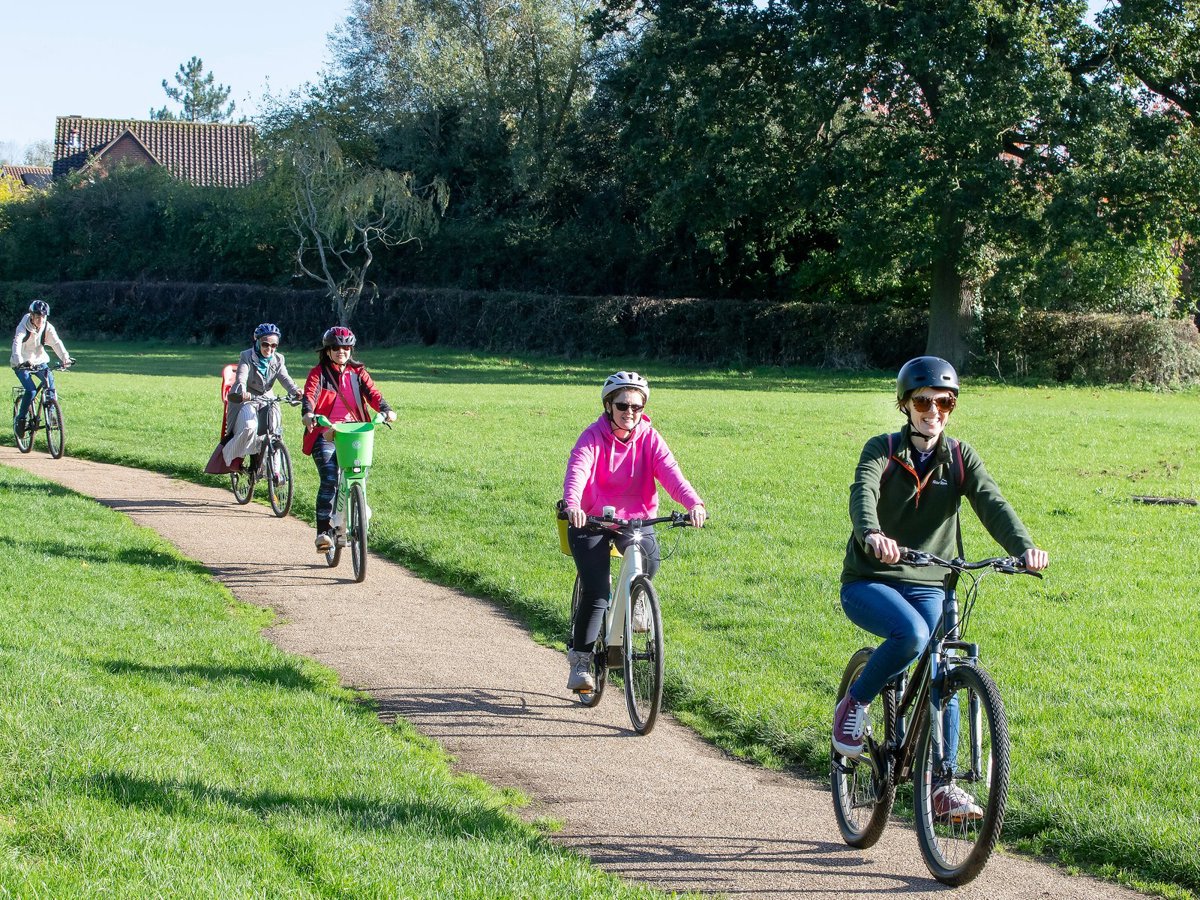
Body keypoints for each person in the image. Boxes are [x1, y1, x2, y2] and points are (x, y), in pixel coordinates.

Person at [833, 355, 1048, 820]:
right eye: (924, 401)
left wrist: (1025, 547)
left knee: (946, 669)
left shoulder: (959, 457)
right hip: (873, 578)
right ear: (905, 404)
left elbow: (993, 503)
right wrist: (872, 534)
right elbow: (862, 493)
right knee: (910, 635)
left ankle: (943, 785)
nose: (934, 411)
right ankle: (856, 702)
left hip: (935, 579)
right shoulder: (882, 449)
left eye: (945, 403)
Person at [561, 371, 707, 693]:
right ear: (609, 405)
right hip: (591, 521)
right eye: (623, 405)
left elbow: (672, 476)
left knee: (649, 561)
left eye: (637, 407)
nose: (630, 412)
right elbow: (578, 469)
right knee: (597, 592)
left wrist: (694, 503)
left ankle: (637, 597)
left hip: (636, 520)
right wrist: (573, 504)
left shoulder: (650, 439)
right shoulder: (592, 436)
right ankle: (582, 660)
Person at [300, 326, 396, 551]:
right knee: (330, 479)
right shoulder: (319, 373)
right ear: (327, 350)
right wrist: (308, 414)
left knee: (358, 475)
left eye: (345, 347)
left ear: (351, 349)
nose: (341, 351)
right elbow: (310, 396)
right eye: (335, 347)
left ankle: (355, 512)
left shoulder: (358, 372)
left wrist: (386, 410)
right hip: (325, 432)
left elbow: (374, 394)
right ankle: (323, 532)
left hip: (355, 431)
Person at [222, 323, 300, 469]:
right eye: (265, 344)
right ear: (257, 341)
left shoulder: (278, 359)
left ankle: (274, 471)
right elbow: (241, 377)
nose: (269, 349)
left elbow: (285, 378)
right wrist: (242, 391)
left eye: (274, 345)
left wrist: (295, 391)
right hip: (246, 398)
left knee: (274, 432)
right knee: (249, 427)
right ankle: (232, 456)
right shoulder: (246, 356)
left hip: (267, 398)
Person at [10, 300, 72, 435]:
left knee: (49, 384)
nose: (41, 320)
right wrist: (20, 361)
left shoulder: (47, 327)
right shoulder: (23, 326)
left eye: (43, 317)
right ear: (31, 316)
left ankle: (51, 415)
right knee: (31, 390)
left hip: (40, 361)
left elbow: (56, 342)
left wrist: (65, 358)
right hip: (22, 363)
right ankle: (20, 420)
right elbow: (17, 343)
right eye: (38, 317)